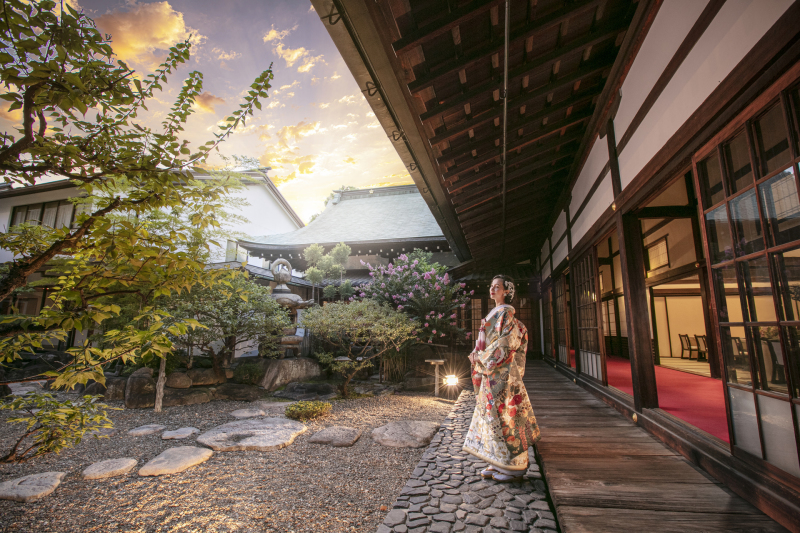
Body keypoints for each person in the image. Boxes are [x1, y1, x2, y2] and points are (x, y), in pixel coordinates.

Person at [463, 274, 540, 482]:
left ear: (507, 291)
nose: (492, 289)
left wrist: (481, 357)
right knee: (492, 418)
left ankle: (514, 468)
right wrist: (476, 353)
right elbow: (486, 341)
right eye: (491, 286)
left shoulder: (506, 314)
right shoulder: (497, 313)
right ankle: (496, 460)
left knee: (506, 418)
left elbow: (504, 343)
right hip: (492, 374)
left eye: (497, 286)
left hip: (502, 374)